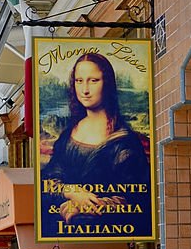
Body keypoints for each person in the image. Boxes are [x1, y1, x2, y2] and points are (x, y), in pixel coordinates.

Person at [40, 52, 149, 236]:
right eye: (79, 81)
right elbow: (48, 180)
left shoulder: (124, 142)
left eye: (93, 80)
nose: (85, 89)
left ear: (107, 84)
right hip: (63, 237)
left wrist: (86, 206)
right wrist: (71, 192)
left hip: (113, 234)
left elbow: (136, 197)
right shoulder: (68, 135)